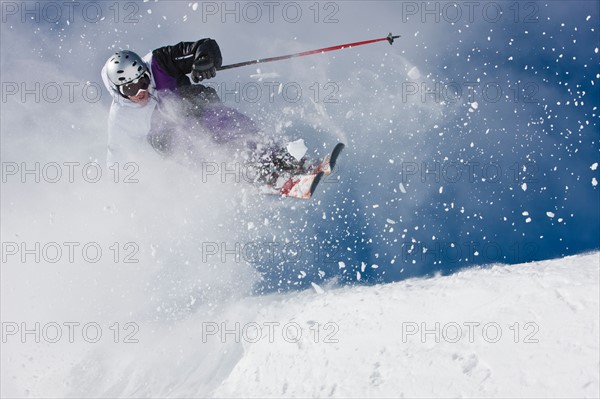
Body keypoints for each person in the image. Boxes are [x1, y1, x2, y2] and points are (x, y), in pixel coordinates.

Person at [101, 39, 311, 186]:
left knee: (222, 123)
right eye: (130, 88)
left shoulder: (159, 61)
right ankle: (252, 177)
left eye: (143, 81)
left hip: (196, 107)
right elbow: (116, 156)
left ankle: (282, 159)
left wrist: (205, 61)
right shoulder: (120, 117)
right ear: (117, 91)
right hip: (169, 138)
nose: (140, 91)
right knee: (193, 147)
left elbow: (204, 46)